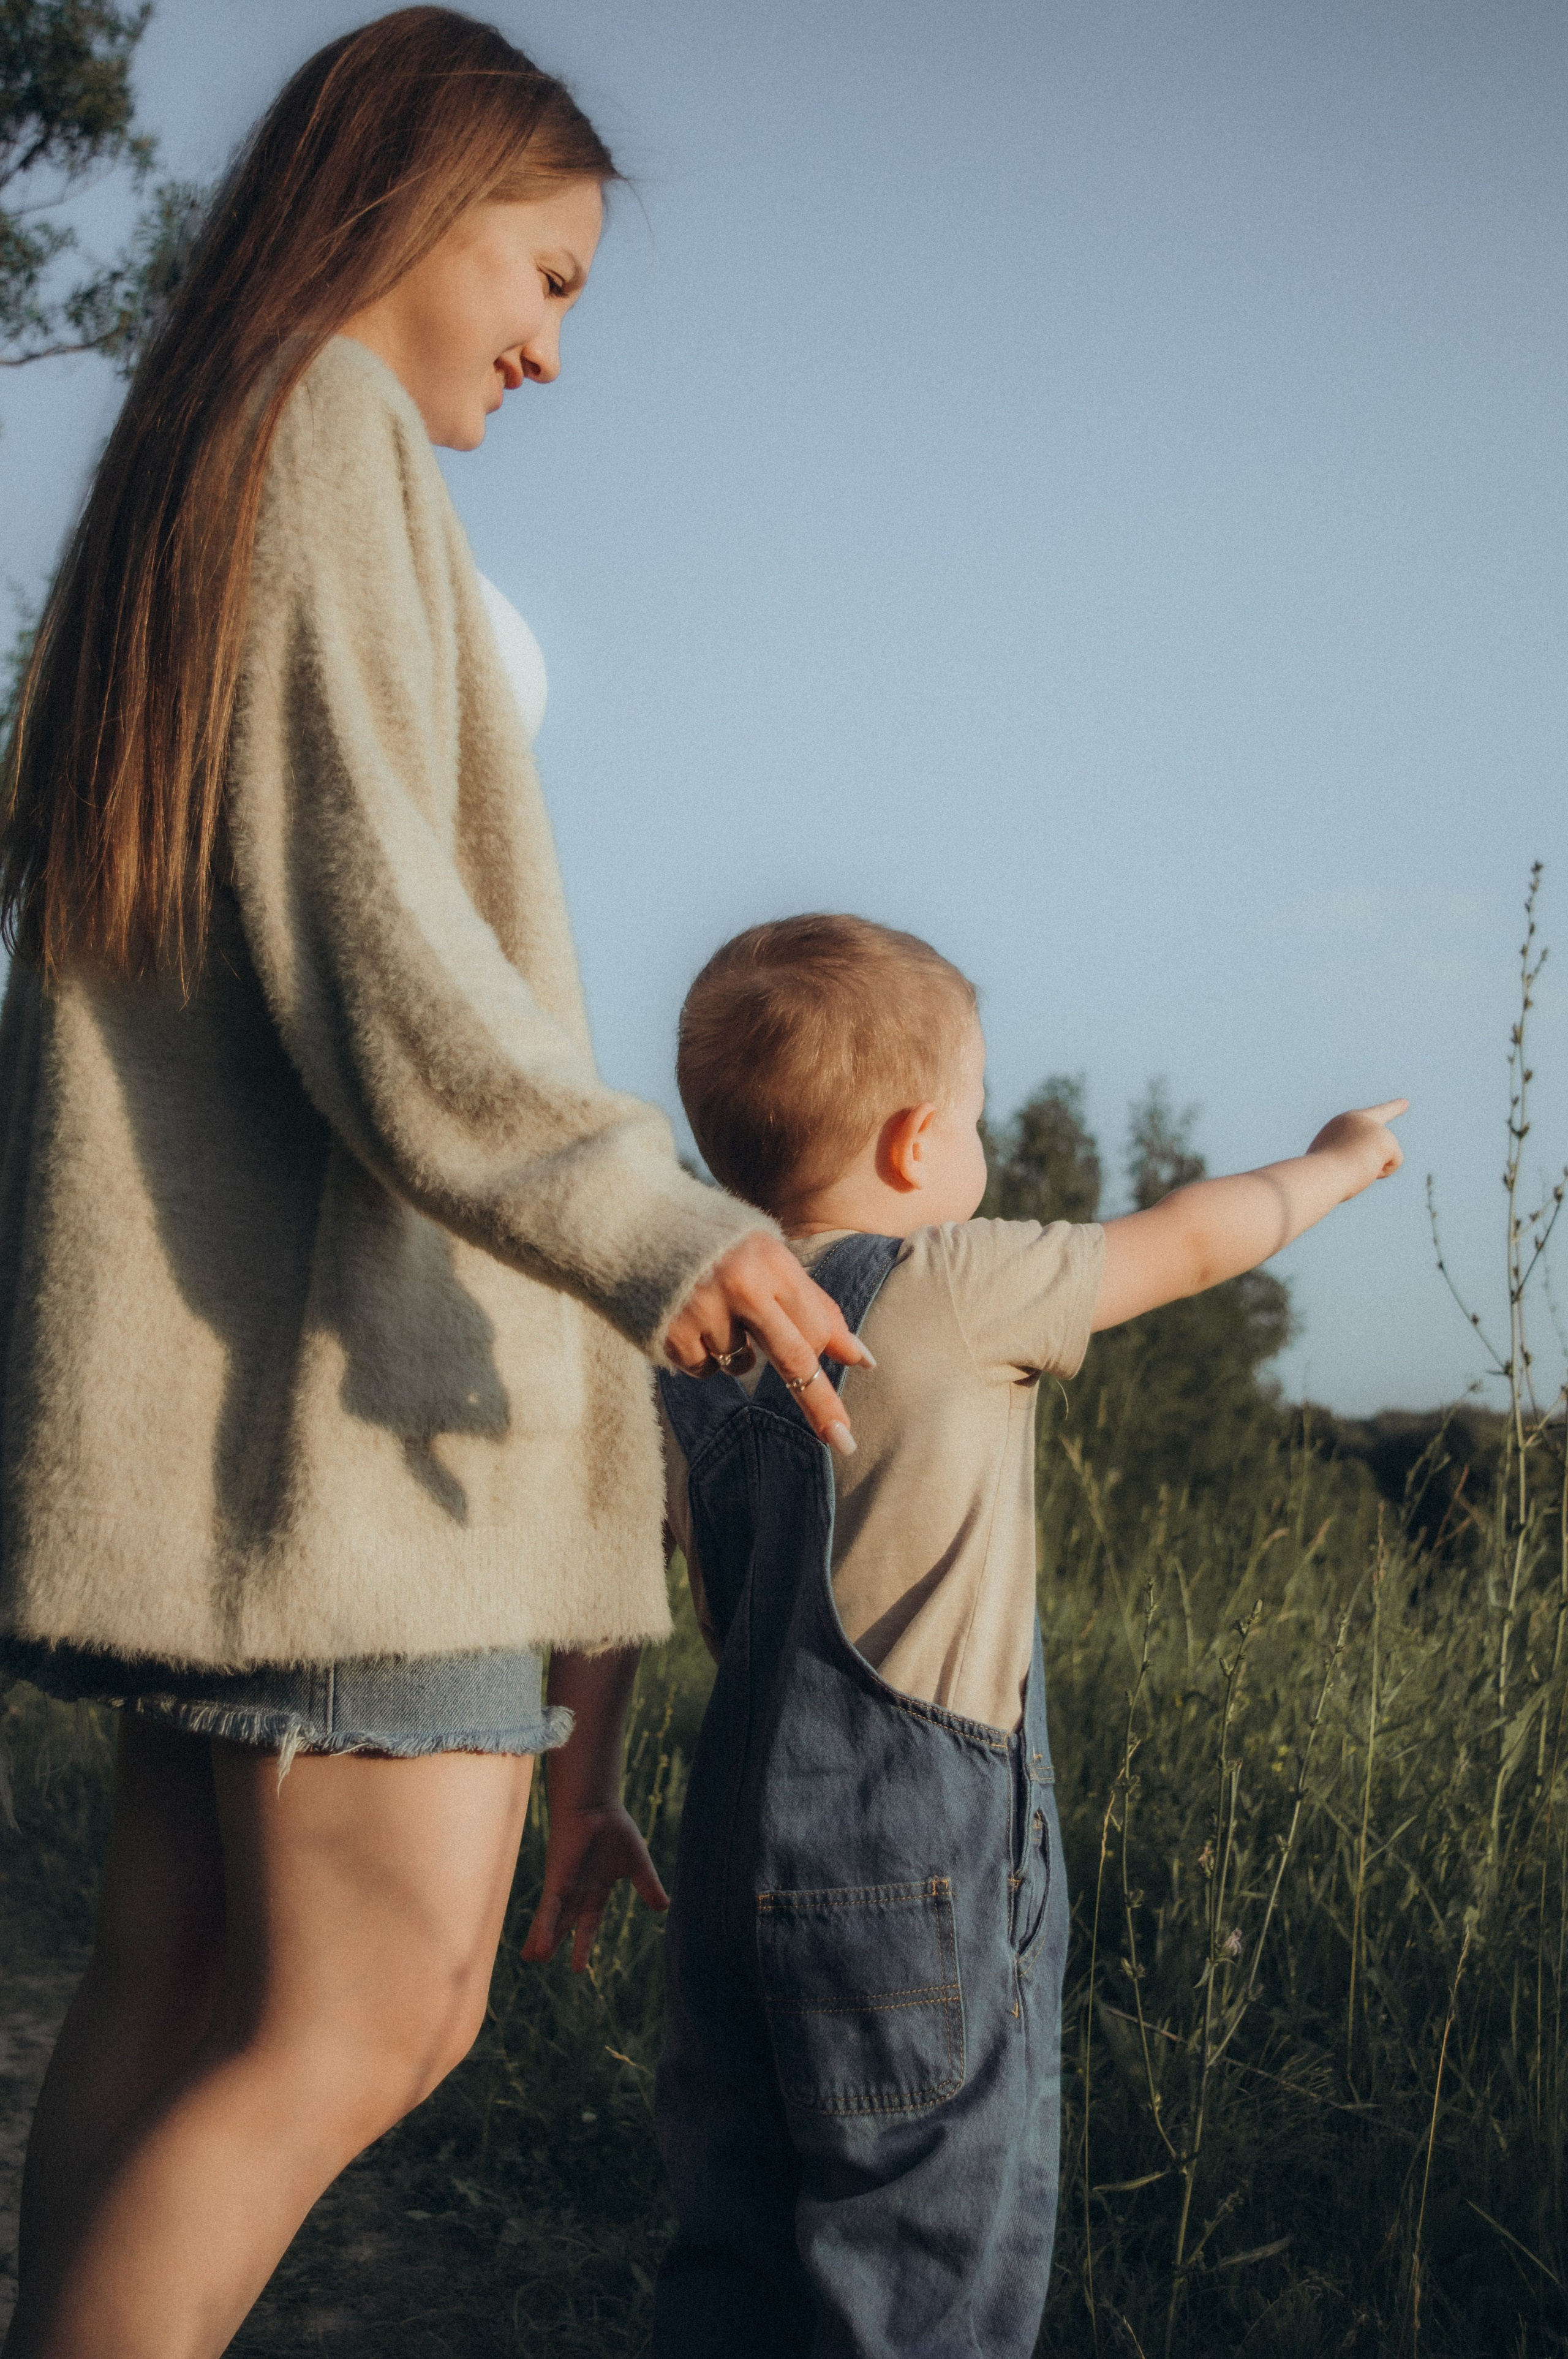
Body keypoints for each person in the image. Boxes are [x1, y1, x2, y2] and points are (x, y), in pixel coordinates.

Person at [0, 16, 872, 2357]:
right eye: (553, 275)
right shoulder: (328, 430)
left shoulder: (210, 453)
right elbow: (391, 947)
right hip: (363, 1403)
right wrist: (664, 1218)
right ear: (418, 189)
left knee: (176, 1987)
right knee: (380, 2009)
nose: (560, 348)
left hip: (244, 1404)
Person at [543, 910, 1403, 2357]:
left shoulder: (679, 1340)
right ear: (912, 1142)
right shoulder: (949, 1286)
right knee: (918, 2278)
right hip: (914, 1899)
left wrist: (582, 1799)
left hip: (726, 1896)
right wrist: (1331, 1162)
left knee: (732, 2253)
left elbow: (601, 1596)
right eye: (983, 1114)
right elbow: (1190, 1244)